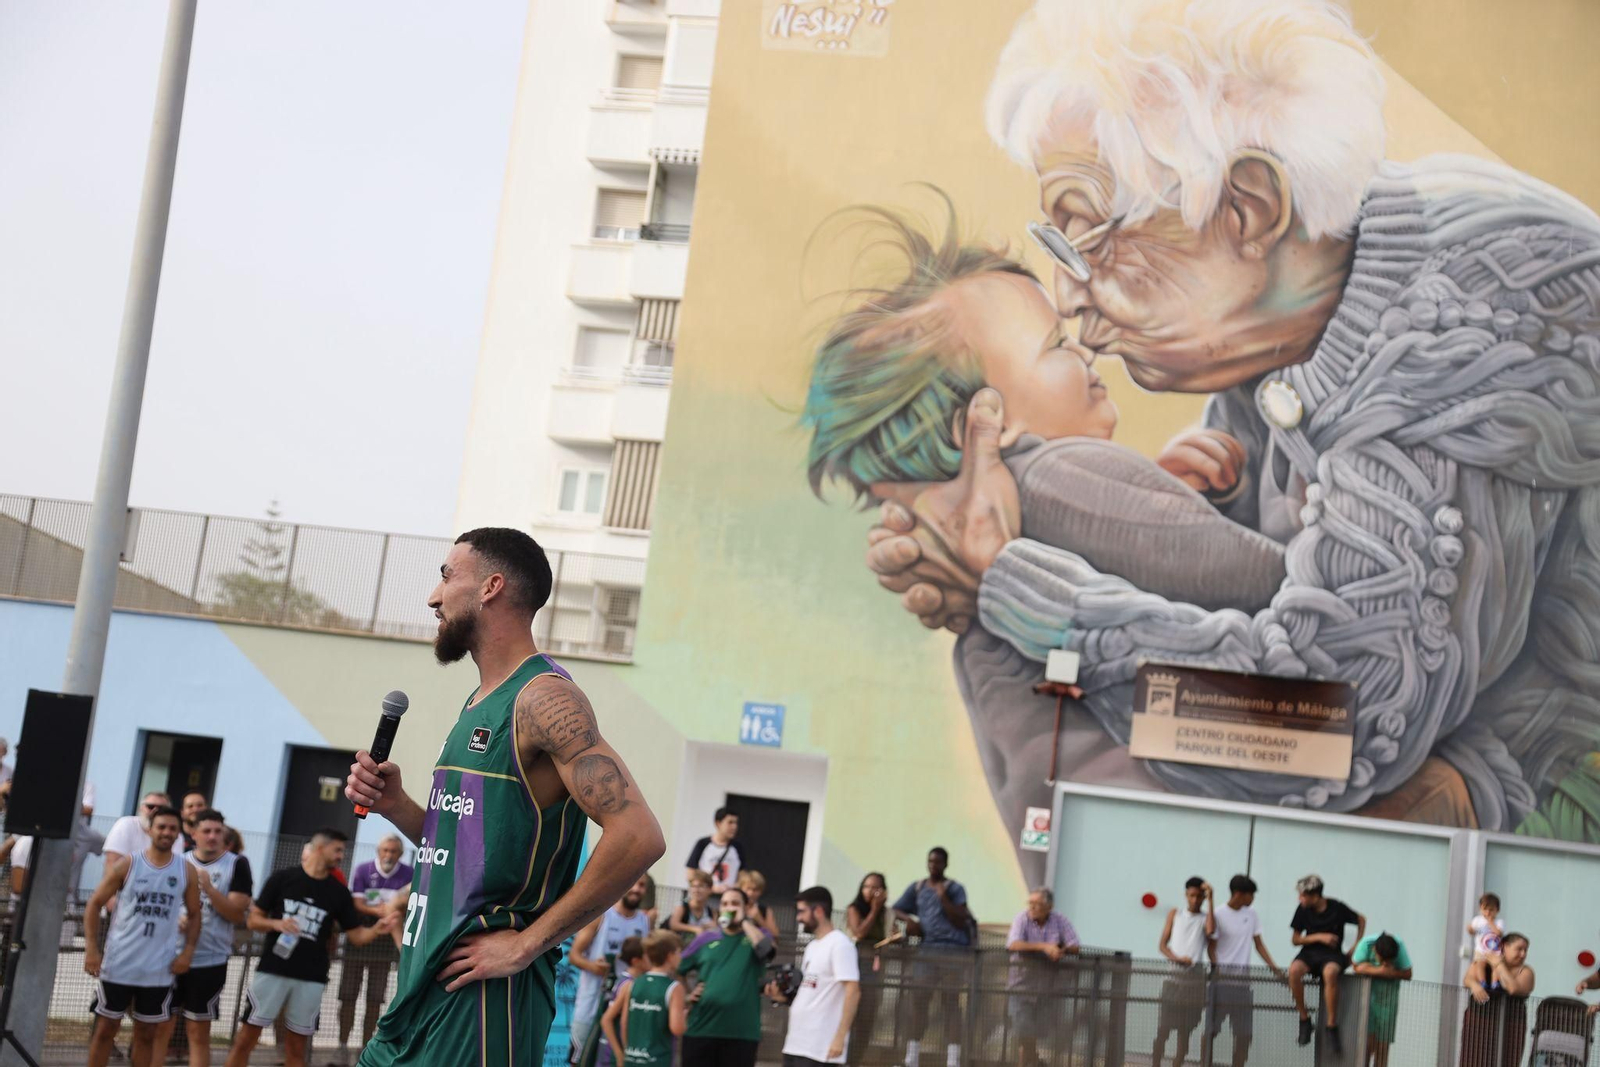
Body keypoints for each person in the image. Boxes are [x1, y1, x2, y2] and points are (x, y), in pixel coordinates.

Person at [863, 0, 1600, 884]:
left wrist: (1014, 588)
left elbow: (1322, 732)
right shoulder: (1299, 311)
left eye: (1088, 230)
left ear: (1247, 209)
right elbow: (1257, 572)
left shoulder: (1445, 340)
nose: (1070, 293)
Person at [345, 527, 665, 1067]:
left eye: (447, 576)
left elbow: (639, 836)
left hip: (484, 999)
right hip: (424, 987)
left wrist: (527, 943)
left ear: (491, 586)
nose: (433, 596)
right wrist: (396, 805)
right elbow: (467, 850)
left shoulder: (544, 698)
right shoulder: (479, 701)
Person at [222, 829, 393, 1067]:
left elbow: (356, 936)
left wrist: (378, 929)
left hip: (311, 977)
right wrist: (276, 923)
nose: (340, 856)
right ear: (320, 848)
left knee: (297, 1047)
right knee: (246, 1038)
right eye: (337, 850)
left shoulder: (338, 892)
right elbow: (253, 920)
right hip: (273, 971)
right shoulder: (283, 879)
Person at [82, 805, 201, 1067]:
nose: (166, 832)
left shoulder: (185, 870)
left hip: (157, 967)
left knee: (147, 1034)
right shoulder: (129, 863)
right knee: (105, 1029)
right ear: (150, 830)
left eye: (172, 828)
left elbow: (194, 914)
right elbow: (94, 903)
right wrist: (92, 948)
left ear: (178, 832)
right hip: (120, 963)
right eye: (161, 827)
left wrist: (188, 952)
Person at [892, 847, 973, 1067]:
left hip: (953, 950)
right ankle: (912, 1057)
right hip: (928, 949)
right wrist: (909, 920)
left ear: (945, 864)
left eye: (937, 862)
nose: (933, 866)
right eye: (930, 861)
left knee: (950, 1002)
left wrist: (943, 897)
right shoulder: (918, 887)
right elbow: (896, 908)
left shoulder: (955, 888)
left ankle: (953, 1060)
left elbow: (960, 919)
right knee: (919, 1001)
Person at [677, 886, 774, 1067]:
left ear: (746, 908)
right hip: (701, 1030)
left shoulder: (757, 935)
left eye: (735, 903)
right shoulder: (706, 937)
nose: (730, 908)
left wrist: (745, 921)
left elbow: (767, 951)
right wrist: (688, 995)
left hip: (741, 1034)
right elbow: (676, 968)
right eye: (725, 904)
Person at [337, 834, 414, 1057]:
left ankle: (366, 1046)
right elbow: (357, 903)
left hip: (387, 942)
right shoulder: (363, 870)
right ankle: (342, 1044)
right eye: (385, 850)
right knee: (348, 995)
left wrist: (392, 912)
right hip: (361, 939)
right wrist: (379, 911)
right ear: (378, 851)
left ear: (400, 854)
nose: (389, 855)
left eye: (393, 851)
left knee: (375, 998)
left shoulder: (409, 874)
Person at [769, 886, 860, 1067]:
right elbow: (812, 990)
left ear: (818, 911)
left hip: (821, 1049)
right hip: (797, 1043)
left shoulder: (840, 944)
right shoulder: (812, 946)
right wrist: (784, 998)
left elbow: (853, 991)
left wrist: (840, 1038)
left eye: (802, 911)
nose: (798, 918)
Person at [572, 874, 656, 1059]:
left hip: (624, 1007)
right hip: (592, 1001)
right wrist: (594, 966)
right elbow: (574, 955)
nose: (636, 889)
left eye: (641, 885)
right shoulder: (601, 915)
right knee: (580, 1059)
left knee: (614, 1059)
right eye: (632, 882)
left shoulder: (645, 921)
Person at [1208, 875, 1284, 1067]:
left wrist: (1275, 970)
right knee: (1211, 1031)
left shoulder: (1251, 915)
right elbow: (1211, 946)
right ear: (1239, 894)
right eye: (1251, 895)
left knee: (1244, 1035)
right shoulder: (1218, 914)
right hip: (1221, 984)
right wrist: (1217, 968)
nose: (1253, 899)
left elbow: (1259, 944)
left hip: (1243, 986)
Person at [1287, 874, 1364, 1053]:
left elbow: (1361, 920)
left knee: (1330, 973)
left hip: (1332, 955)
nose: (1300, 899)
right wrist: (1319, 937)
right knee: (1294, 971)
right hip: (1309, 953)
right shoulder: (1302, 910)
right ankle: (1305, 1019)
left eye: (1303, 895)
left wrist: (1355, 948)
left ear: (1315, 895)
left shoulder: (1337, 908)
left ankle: (1331, 1026)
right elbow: (1296, 939)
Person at [1004, 886, 1078, 1067]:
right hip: (1021, 987)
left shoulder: (1059, 920)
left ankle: (1034, 1060)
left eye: (1037, 904)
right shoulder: (1022, 918)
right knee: (1023, 1031)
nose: (1032, 907)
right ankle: (1033, 1061)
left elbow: (1075, 945)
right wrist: (1044, 947)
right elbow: (1013, 944)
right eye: (1030, 903)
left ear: (1049, 906)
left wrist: (1061, 949)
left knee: (1035, 1032)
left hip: (1046, 989)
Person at [1152, 877, 1213, 1067]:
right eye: (1192, 895)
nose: (1195, 900)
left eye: (1200, 896)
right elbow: (1162, 945)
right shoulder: (1175, 914)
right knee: (1163, 1031)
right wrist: (1177, 959)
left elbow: (1211, 931)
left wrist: (1212, 899)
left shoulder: (1205, 918)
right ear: (1186, 895)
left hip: (1194, 984)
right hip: (1173, 981)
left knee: (1184, 1035)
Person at [605, 930, 687, 1067]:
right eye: (679, 952)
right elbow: (677, 1028)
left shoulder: (632, 984)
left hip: (632, 1058)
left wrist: (627, 1053)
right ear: (670, 956)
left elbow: (624, 1023)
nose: (681, 957)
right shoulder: (674, 988)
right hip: (658, 1060)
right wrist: (685, 1015)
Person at [1460, 932, 1535, 1067]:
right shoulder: (1483, 965)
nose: (1523, 954)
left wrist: (1499, 965)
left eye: (1526, 950)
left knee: (1506, 1060)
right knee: (1473, 1059)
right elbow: (1468, 978)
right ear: (1504, 947)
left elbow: (1513, 988)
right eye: (1519, 949)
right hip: (1480, 1020)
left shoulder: (1526, 971)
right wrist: (1474, 985)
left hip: (1510, 1023)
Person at [1350, 931, 1412, 1067]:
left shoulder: (1399, 945)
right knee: (1366, 1046)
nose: (1385, 964)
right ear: (1375, 951)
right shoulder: (1366, 944)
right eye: (1382, 960)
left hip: (1388, 1002)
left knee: (1382, 1048)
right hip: (1367, 1001)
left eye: (1389, 961)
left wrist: (1392, 973)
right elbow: (1356, 966)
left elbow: (1408, 973)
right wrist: (1380, 972)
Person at [844, 873, 889, 1053]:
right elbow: (859, 933)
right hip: (855, 965)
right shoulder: (854, 909)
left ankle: (857, 1058)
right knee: (851, 1012)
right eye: (866, 886)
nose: (870, 891)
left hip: (874, 967)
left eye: (875, 888)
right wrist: (874, 910)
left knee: (868, 1015)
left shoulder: (886, 913)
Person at [596, 935, 647, 1067]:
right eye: (648, 955)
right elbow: (606, 1020)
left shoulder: (628, 979)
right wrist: (620, 1054)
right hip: (611, 1054)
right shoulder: (628, 985)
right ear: (636, 961)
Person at [104, 791, 185, 870]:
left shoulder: (174, 835)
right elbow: (112, 863)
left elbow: (174, 867)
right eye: (150, 807)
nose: (155, 811)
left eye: (161, 808)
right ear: (140, 808)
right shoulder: (125, 824)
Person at [685, 808, 743, 892]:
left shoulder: (737, 847)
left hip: (728, 895)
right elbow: (691, 872)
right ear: (718, 823)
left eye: (736, 823)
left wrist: (734, 888)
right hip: (706, 894)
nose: (734, 827)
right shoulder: (703, 843)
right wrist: (708, 888)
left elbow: (741, 874)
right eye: (730, 822)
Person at [1465, 892, 1506, 990]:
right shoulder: (1477, 920)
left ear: (1497, 910)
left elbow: (1499, 933)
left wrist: (1491, 923)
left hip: (1495, 950)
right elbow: (1472, 931)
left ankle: (1495, 982)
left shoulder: (1499, 922)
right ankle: (1482, 981)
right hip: (1480, 950)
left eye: (1491, 910)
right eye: (1485, 909)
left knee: (1495, 966)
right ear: (1480, 909)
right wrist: (1470, 928)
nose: (1488, 913)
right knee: (1480, 964)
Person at [668, 870, 719, 939]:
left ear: (709, 889)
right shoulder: (682, 907)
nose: (696, 890)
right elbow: (674, 925)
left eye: (701, 886)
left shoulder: (711, 912)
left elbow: (715, 928)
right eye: (693, 886)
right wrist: (694, 929)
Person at [739, 869, 780, 937]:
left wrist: (760, 920)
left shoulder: (764, 910)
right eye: (748, 889)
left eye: (755, 890)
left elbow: (775, 935)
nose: (751, 893)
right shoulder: (733, 907)